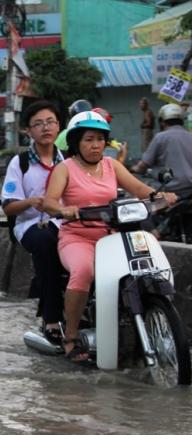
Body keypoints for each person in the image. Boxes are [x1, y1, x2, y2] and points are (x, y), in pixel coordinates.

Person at [43, 111, 177, 363]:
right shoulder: (65, 169)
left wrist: (162, 197)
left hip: (113, 235)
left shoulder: (111, 165)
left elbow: (139, 189)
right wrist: (63, 210)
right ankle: (70, 338)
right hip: (77, 236)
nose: (95, 145)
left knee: (146, 263)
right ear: (76, 143)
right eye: (88, 139)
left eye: (100, 139)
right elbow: (49, 202)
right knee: (83, 271)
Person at [0, 100, 64, 344]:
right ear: (29, 131)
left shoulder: (68, 160)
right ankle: (51, 319)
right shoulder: (20, 163)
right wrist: (31, 202)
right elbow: (8, 207)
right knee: (46, 244)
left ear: (58, 126)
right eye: (38, 124)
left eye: (50, 122)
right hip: (30, 226)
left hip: (64, 223)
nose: (45, 128)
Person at [131, 103, 192, 199]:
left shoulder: (161, 137)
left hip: (169, 190)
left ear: (162, 122)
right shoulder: (190, 136)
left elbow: (143, 166)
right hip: (189, 189)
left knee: (143, 188)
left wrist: (132, 169)